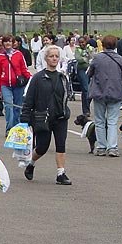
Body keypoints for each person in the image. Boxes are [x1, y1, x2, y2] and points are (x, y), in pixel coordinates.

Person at [20, 45, 73, 185]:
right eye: (51, 56)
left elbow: (67, 96)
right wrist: (24, 119)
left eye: (56, 56)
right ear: (46, 58)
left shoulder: (62, 77)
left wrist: (65, 111)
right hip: (42, 117)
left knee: (61, 144)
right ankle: (31, 163)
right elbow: (29, 99)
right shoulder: (38, 78)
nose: (54, 58)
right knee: (42, 147)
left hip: (60, 117)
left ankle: (61, 173)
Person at [87, 35, 122, 157]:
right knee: (112, 121)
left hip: (99, 92)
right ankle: (112, 147)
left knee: (99, 120)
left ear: (103, 45)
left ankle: (101, 147)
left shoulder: (97, 58)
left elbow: (89, 73)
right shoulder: (120, 59)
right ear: (115, 45)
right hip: (115, 92)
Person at [0, 34, 32, 134]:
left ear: (13, 43)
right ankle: (9, 129)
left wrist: (31, 79)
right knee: (8, 106)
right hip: (5, 85)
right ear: (2, 43)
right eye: (6, 41)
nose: (8, 43)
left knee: (17, 107)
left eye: (10, 41)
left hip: (18, 85)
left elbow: (24, 69)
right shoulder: (1, 57)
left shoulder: (19, 54)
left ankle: (16, 128)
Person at [74, 36, 95, 116]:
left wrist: (87, 57)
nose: (82, 44)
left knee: (90, 90)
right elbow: (78, 59)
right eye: (80, 42)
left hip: (91, 70)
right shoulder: (77, 49)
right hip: (82, 70)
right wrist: (86, 59)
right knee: (85, 89)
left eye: (83, 42)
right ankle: (86, 110)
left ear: (86, 42)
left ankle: (87, 106)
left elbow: (93, 56)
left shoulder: (90, 48)